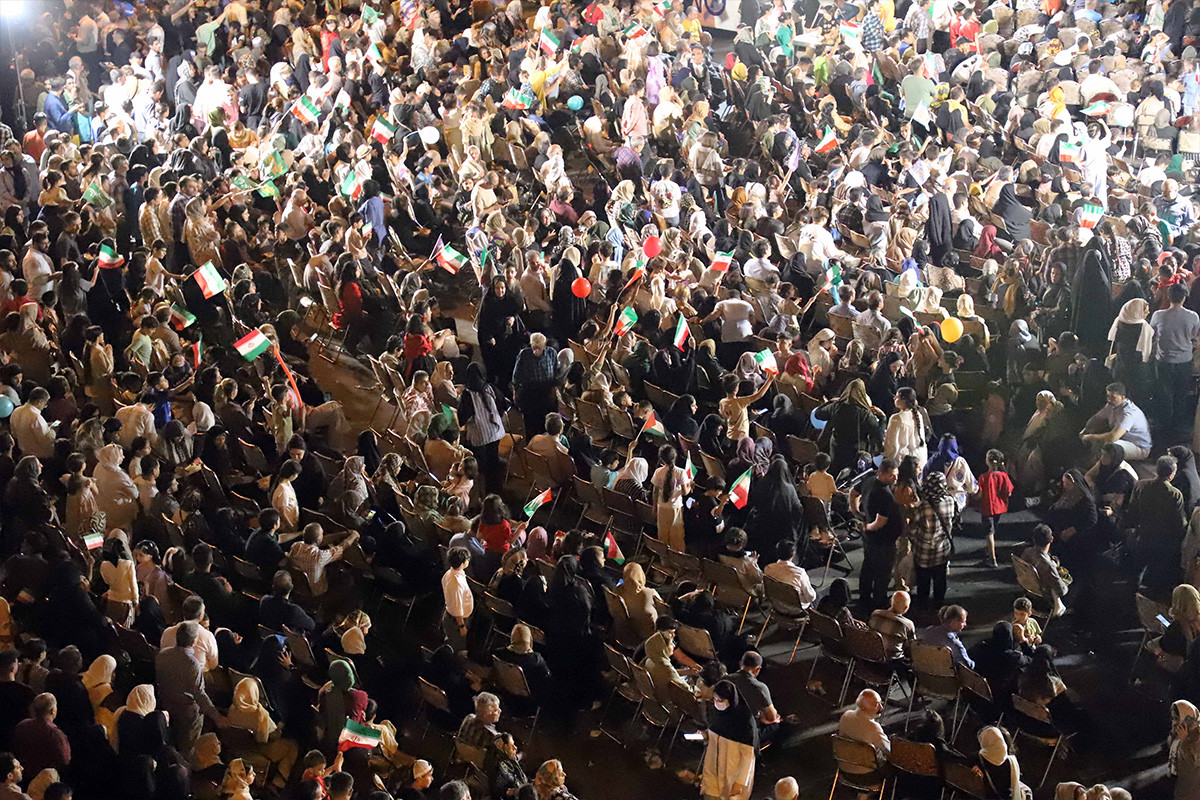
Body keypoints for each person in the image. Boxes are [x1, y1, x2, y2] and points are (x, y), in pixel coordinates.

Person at [701, 681, 757, 800]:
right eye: (715, 699)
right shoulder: (716, 714)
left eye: (720, 700)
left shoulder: (744, 721)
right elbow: (714, 732)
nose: (717, 703)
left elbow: (748, 756)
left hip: (732, 775)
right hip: (713, 772)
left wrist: (740, 782)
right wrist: (706, 734)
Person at [1080, 382, 1152, 461]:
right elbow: (1096, 419)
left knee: (1110, 448)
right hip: (1123, 440)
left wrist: (1090, 437)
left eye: (1113, 397)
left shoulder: (1128, 413)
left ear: (1123, 397)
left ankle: (1098, 466)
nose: (1109, 400)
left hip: (1138, 447)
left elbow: (1113, 437)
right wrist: (1085, 430)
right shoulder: (1111, 405)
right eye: (1108, 396)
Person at [837, 689, 890, 772]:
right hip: (865, 773)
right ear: (864, 708)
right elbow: (888, 750)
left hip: (844, 767)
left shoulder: (845, 716)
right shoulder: (873, 727)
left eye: (881, 703)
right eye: (876, 704)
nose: (881, 707)